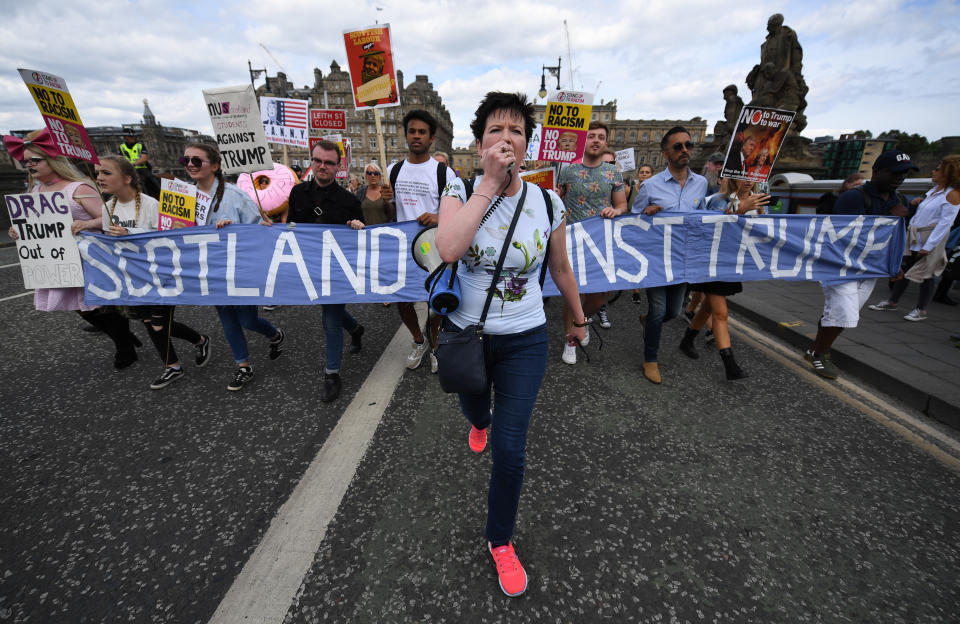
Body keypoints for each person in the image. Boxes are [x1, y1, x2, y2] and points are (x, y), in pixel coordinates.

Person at [435, 91, 586, 598]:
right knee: (477, 408)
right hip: (467, 335)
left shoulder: (547, 201)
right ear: (480, 145)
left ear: (528, 144)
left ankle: (500, 540)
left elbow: (560, 268)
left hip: (525, 338)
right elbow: (450, 247)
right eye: (496, 131)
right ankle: (478, 420)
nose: (507, 139)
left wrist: (579, 318)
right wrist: (488, 185)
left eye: (516, 131)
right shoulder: (457, 189)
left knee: (510, 450)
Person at [3, 129, 141, 369]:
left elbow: (108, 218)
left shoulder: (78, 188)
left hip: (88, 256)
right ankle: (123, 336)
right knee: (80, 308)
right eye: (25, 161)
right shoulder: (34, 190)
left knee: (102, 306)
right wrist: (17, 231)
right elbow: (33, 225)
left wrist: (87, 223)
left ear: (53, 160)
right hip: (58, 259)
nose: (29, 165)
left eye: (35, 160)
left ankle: (124, 348)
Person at [804, 150, 917, 379]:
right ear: (876, 171)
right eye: (894, 172)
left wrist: (895, 264)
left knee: (841, 312)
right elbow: (845, 237)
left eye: (904, 173)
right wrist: (888, 215)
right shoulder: (853, 197)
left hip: (871, 269)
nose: (900, 178)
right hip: (841, 266)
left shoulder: (900, 200)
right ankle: (821, 354)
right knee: (843, 311)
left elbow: (895, 238)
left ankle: (814, 349)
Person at [182, 144, 285, 391]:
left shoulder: (234, 195)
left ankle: (275, 334)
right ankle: (243, 366)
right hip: (211, 269)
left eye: (197, 160)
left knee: (248, 320)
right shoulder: (184, 197)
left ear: (215, 166)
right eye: (185, 160)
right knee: (227, 318)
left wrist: (234, 229)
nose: (190, 165)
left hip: (239, 269)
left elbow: (260, 227)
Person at [287, 140, 366, 401]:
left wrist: (357, 225)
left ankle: (331, 374)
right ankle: (355, 329)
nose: (323, 166)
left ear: (337, 166)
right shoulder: (298, 193)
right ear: (312, 161)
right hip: (310, 267)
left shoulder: (349, 200)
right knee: (330, 312)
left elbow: (362, 236)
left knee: (330, 320)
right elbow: (289, 229)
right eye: (318, 160)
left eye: (329, 162)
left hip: (337, 270)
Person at [630, 126, 708, 384]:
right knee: (658, 309)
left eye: (688, 145)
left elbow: (704, 219)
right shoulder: (650, 185)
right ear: (666, 154)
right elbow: (634, 219)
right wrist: (647, 213)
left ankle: (647, 320)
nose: (685, 150)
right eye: (678, 146)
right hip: (656, 259)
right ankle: (650, 358)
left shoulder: (701, 184)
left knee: (673, 312)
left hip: (683, 259)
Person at [383, 109, 456, 372]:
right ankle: (418, 340)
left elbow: (457, 212)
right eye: (412, 131)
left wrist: (438, 217)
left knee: (434, 303)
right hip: (403, 248)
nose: (416, 136)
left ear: (431, 138)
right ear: (405, 135)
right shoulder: (393, 170)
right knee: (403, 301)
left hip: (432, 247)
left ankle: (436, 345)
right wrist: (385, 202)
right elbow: (391, 214)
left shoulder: (443, 173)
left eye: (422, 132)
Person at [678, 177, 769, 379]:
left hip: (732, 262)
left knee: (709, 306)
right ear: (733, 176)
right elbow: (708, 228)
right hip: (711, 261)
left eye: (754, 177)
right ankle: (730, 365)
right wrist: (739, 210)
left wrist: (761, 213)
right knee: (721, 313)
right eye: (744, 176)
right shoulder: (717, 200)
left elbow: (764, 231)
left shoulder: (759, 200)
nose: (749, 181)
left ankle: (687, 340)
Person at [557, 125, 626, 362]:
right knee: (571, 294)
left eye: (601, 137)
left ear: (606, 142)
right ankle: (570, 341)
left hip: (600, 242)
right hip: (571, 241)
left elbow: (622, 205)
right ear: (583, 142)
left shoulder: (613, 172)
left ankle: (582, 321)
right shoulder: (568, 170)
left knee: (598, 298)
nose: (596, 141)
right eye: (592, 137)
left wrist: (615, 210)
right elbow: (558, 200)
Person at [866, 155, 960, 321]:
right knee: (907, 268)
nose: (933, 171)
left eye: (938, 169)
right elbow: (932, 212)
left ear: (948, 173)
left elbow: (945, 224)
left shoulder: (952, 195)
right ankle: (892, 301)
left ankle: (921, 310)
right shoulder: (935, 192)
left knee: (927, 273)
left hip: (929, 237)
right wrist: (918, 203)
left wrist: (929, 246)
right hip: (917, 235)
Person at [119, 128, 160, 199]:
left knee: (153, 181)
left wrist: (133, 164)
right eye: (131, 137)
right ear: (126, 137)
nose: (134, 138)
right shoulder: (122, 147)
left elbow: (144, 158)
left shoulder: (140, 145)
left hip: (142, 169)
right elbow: (120, 159)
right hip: (128, 171)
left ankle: (156, 195)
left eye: (134, 137)